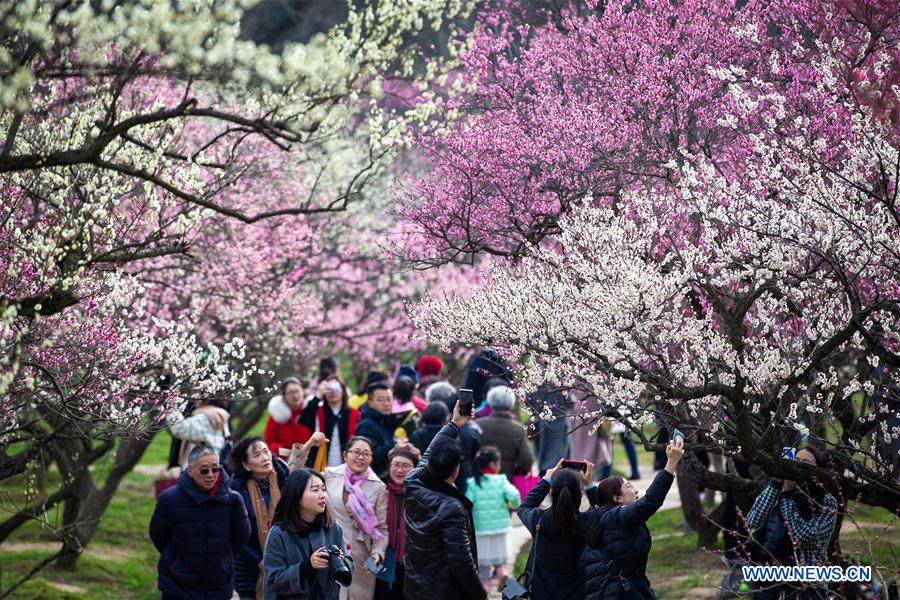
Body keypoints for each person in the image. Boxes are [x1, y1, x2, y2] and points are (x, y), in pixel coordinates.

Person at [580, 437, 685, 600]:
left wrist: (589, 485)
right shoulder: (620, 517)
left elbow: (601, 505)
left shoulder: (602, 515)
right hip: (618, 593)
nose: (635, 490)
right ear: (617, 499)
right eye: (628, 486)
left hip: (612, 590)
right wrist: (670, 464)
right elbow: (650, 502)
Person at [404, 401, 487, 600]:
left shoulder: (413, 481)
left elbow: (428, 453)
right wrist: (481, 594)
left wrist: (454, 424)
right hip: (442, 591)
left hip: (416, 584)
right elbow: (461, 561)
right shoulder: (451, 508)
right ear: (456, 470)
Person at [149, 445, 251, 600]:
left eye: (215, 469)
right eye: (204, 470)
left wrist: (224, 559)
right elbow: (157, 535)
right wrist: (177, 561)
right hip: (177, 585)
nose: (210, 475)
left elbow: (241, 535)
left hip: (218, 584)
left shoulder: (233, 500)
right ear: (190, 471)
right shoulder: (169, 499)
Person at [746, 446, 839, 600]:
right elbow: (753, 520)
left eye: (805, 462)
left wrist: (787, 497)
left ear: (817, 471)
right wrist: (776, 483)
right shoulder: (778, 492)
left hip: (806, 580)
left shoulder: (827, 502)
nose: (798, 465)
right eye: (796, 461)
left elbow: (802, 536)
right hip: (769, 575)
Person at [263, 468, 354, 600]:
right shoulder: (279, 533)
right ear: (297, 495)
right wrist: (307, 567)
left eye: (323, 489)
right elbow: (273, 580)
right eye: (315, 490)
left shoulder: (333, 527)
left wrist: (341, 561)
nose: (322, 495)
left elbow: (350, 564)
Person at [517, 458, 598, 600]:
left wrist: (547, 479)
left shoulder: (539, 520)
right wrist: (589, 485)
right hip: (578, 593)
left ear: (550, 493)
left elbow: (524, 508)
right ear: (580, 494)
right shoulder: (588, 522)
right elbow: (602, 512)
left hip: (540, 594)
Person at [324, 436, 389, 600]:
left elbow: (381, 529)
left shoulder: (378, 487)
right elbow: (295, 478)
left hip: (362, 557)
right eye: (356, 452)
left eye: (366, 454)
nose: (361, 457)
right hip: (330, 550)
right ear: (345, 455)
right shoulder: (329, 475)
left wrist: (377, 554)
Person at [230, 437, 290, 600]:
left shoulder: (285, 480)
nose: (265, 457)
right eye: (257, 455)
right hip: (249, 568)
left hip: (287, 562)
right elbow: (234, 534)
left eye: (266, 452)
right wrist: (259, 561)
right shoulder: (236, 492)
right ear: (246, 465)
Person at [464, 446, 521, 594]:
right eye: (499, 462)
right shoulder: (501, 480)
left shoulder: (472, 483)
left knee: (483, 567)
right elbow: (514, 495)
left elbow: (468, 502)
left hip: (480, 530)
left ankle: (485, 590)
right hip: (500, 528)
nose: (500, 466)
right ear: (492, 464)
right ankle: (503, 574)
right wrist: (512, 505)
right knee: (499, 561)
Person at [374, 443, 421, 600]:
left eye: (406, 466)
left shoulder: (421, 493)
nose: (400, 470)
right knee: (376, 592)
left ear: (415, 468)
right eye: (396, 465)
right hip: (379, 554)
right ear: (389, 466)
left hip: (411, 559)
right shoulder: (379, 489)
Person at [299, 374, 361, 470]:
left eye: (336, 388)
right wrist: (318, 395)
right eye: (329, 389)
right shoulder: (317, 411)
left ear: (343, 391)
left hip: (346, 466)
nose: (333, 392)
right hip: (319, 463)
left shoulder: (354, 414)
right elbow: (303, 420)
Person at [354, 381, 413, 478]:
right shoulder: (366, 425)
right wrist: (395, 445)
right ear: (370, 402)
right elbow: (371, 455)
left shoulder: (386, 420)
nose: (386, 404)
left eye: (389, 399)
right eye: (380, 400)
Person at [476, 386, 533, 480]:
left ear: (490, 403)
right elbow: (526, 460)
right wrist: (519, 472)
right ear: (511, 404)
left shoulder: (479, 424)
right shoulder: (518, 430)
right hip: (507, 480)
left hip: (480, 479)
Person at [167, 394, 232, 469]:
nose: (195, 396)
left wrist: (171, 405)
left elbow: (179, 428)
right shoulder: (219, 414)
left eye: (199, 393)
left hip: (199, 470)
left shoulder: (207, 417)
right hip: (210, 467)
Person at [264, 377, 312, 457]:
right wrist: (283, 450)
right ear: (284, 396)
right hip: (287, 459)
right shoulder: (277, 414)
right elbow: (269, 441)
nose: (295, 395)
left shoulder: (312, 409)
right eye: (290, 393)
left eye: (297, 391)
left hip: (311, 456)